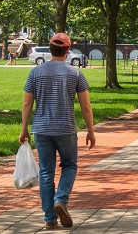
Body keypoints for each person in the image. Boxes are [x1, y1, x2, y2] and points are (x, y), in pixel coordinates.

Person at [20, 33, 96, 230]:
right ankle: (60, 199)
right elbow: (86, 106)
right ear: (68, 50)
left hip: (42, 129)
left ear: (50, 49)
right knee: (69, 166)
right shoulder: (75, 73)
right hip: (66, 128)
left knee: (46, 172)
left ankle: (49, 218)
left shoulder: (35, 73)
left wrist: (24, 129)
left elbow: (27, 102)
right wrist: (90, 130)